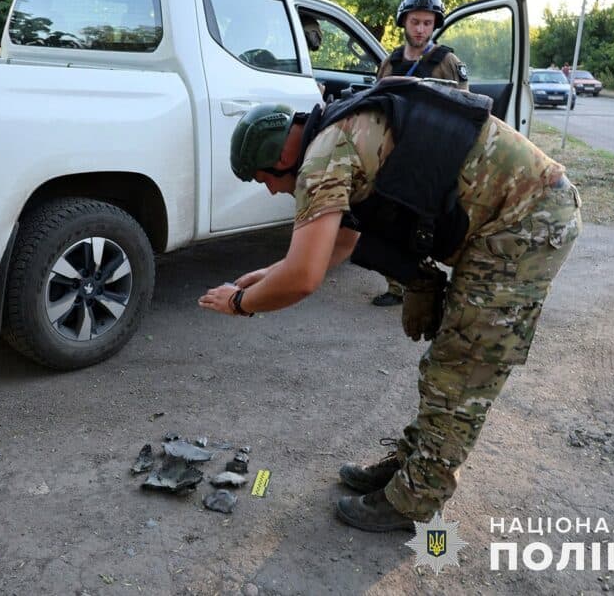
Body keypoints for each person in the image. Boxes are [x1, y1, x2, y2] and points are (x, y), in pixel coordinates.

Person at [198, 77, 581, 532]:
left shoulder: (320, 161)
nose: (269, 190)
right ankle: (414, 464)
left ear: (281, 158)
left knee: (461, 367)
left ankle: (415, 499)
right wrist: (266, 275)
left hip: (527, 221)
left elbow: (304, 277)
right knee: (444, 364)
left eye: (264, 179)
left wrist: (240, 303)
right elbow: (342, 243)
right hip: (515, 213)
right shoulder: (338, 130)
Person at [371, 0, 469, 307]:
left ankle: (424, 286)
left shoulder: (447, 62)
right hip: (394, 153)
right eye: (415, 22)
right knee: (389, 220)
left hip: (432, 156)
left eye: (427, 23)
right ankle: (395, 285)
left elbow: (467, 110)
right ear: (404, 22)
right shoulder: (391, 62)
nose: (420, 29)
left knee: (426, 225)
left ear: (434, 25)